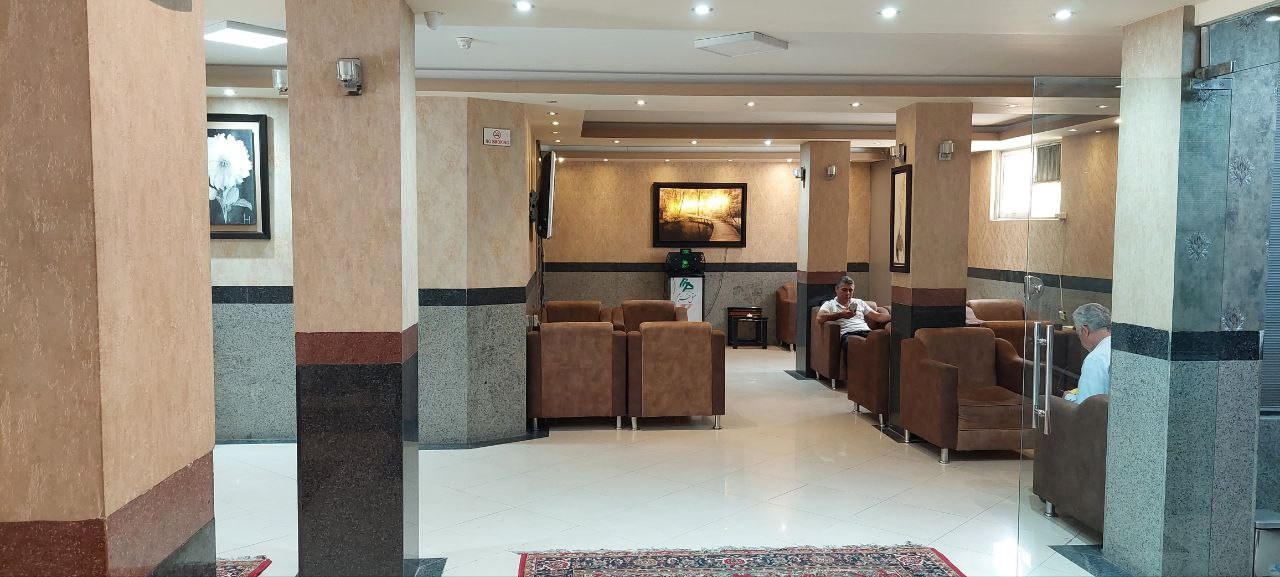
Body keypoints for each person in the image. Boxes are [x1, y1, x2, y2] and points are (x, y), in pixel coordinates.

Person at [816, 276, 891, 346]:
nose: (848, 293)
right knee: (856, 342)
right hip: (848, 334)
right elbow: (820, 318)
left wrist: (894, 317)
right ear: (836, 289)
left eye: (850, 290)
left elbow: (877, 316)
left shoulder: (859, 302)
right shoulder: (829, 304)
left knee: (881, 339)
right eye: (844, 290)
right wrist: (841, 314)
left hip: (866, 332)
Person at [1067, 303, 1112, 404]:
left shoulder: (1096, 359)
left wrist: (1068, 397)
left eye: (1078, 333)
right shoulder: (1121, 349)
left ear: (1085, 330)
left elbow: (1087, 406)